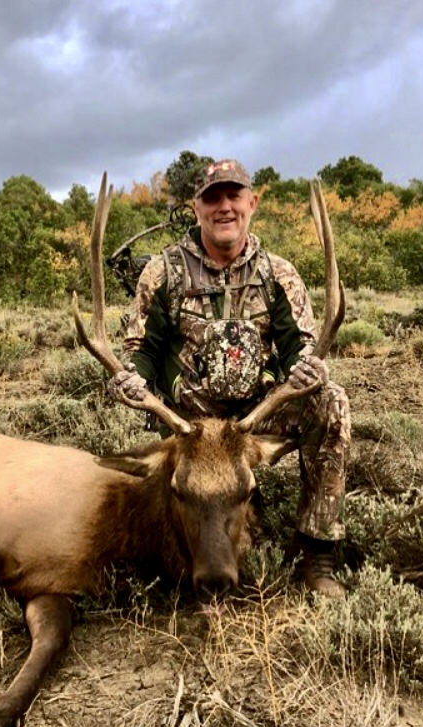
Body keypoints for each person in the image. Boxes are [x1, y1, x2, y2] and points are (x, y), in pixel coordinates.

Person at [109, 159, 351, 598]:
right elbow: (141, 349)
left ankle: (317, 549)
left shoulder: (279, 275)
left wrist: (308, 367)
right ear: (197, 208)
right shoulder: (164, 272)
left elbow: (300, 345)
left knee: (330, 400)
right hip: (188, 426)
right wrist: (132, 379)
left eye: (233, 196)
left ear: (251, 203)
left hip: (252, 423)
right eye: (212, 198)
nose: (224, 207)